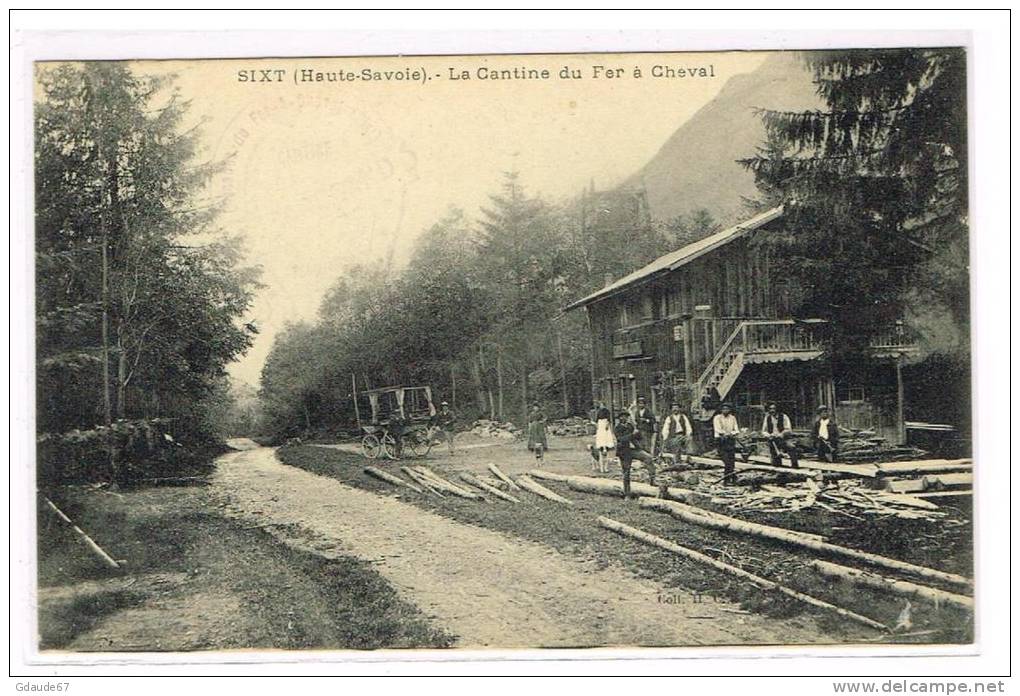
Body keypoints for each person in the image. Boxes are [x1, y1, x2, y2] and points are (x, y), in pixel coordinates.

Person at [614, 410, 656, 496]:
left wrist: (638, 432)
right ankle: (627, 493)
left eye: (626, 416)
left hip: (634, 450)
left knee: (648, 457)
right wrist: (632, 434)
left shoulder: (630, 426)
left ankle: (652, 480)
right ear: (619, 418)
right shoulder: (617, 428)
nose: (624, 418)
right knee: (626, 472)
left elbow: (639, 437)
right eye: (622, 416)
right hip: (624, 452)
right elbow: (621, 439)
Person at [761, 402, 800, 468]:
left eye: (774, 408)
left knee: (791, 447)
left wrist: (781, 434)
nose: (772, 410)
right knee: (775, 459)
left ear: (777, 409)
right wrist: (768, 435)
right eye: (770, 409)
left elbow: (788, 429)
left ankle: (794, 466)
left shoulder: (784, 417)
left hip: (783, 439)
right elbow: (764, 431)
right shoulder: (767, 418)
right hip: (773, 440)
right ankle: (777, 466)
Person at [712, 402, 740, 485]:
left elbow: (736, 429)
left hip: (730, 441)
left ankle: (731, 479)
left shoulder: (732, 418)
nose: (725, 410)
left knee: (732, 461)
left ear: (730, 410)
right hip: (721, 441)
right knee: (726, 461)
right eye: (724, 409)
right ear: (721, 410)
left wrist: (732, 433)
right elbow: (717, 429)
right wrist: (725, 433)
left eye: (727, 409)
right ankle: (728, 479)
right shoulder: (717, 418)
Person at [593, 400, 615, 473]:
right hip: (600, 423)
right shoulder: (599, 411)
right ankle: (601, 444)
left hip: (605, 422)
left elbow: (609, 419)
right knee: (601, 435)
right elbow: (597, 419)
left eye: (602, 404)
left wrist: (607, 425)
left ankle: (606, 444)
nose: (601, 406)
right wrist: (597, 425)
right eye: (601, 405)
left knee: (606, 434)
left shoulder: (607, 411)